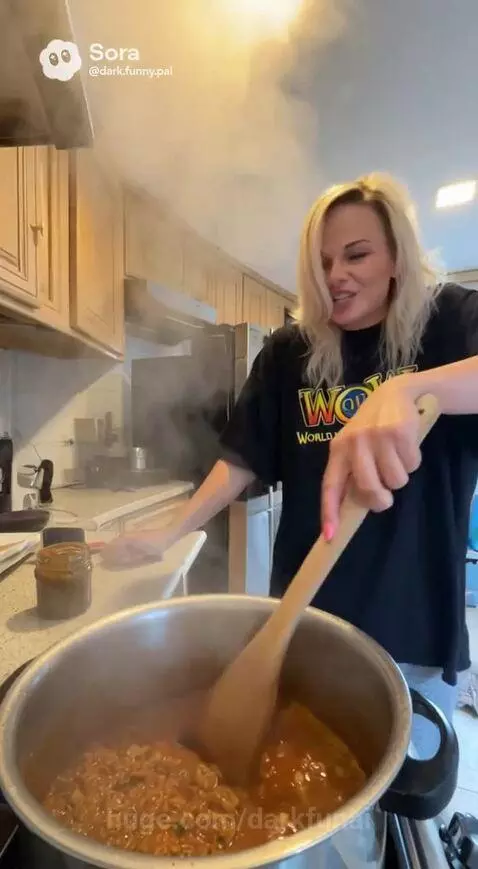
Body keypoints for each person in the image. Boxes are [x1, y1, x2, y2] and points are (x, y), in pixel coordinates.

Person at [103, 172, 478, 759]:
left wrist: (411, 389)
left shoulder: (450, 321)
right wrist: (173, 530)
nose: (336, 276)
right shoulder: (289, 351)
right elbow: (243, 457)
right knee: (301, 787)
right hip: (304, 623)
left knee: (394, 808)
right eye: (323, 262)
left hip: (413, 628)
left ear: (397, 258)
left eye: (357, 255)